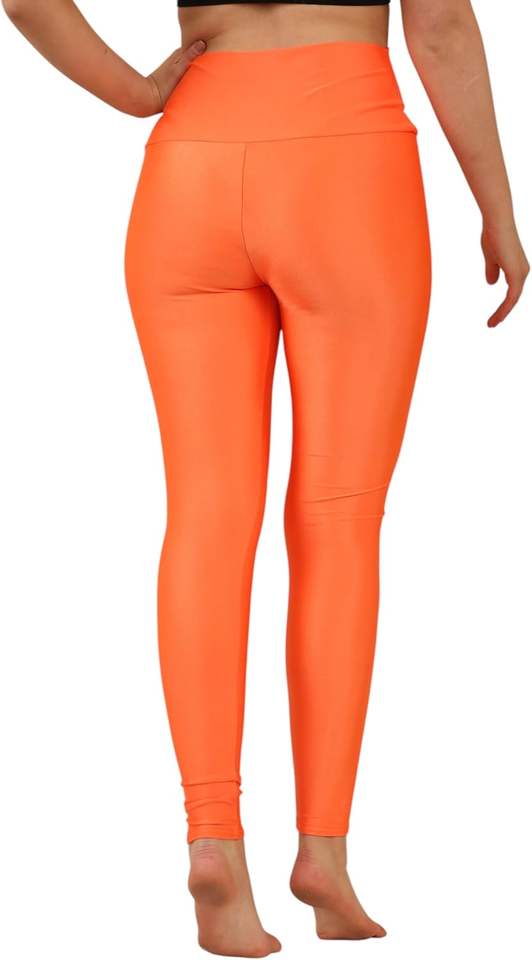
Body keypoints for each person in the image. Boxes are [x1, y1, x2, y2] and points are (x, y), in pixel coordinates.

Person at [2, 0, 528, 956]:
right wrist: (497, 206)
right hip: (348, 163)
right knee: (338, 518)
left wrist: (136, 93)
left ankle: (212, 837)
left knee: (206, 516)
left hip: (191, 164)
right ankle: (322, 853)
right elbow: (441, 26)